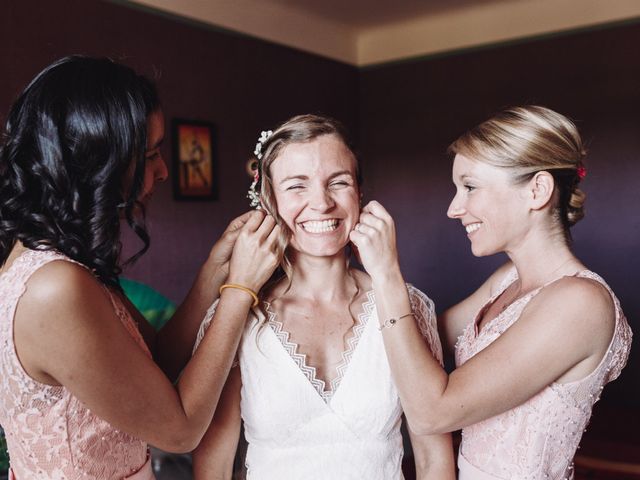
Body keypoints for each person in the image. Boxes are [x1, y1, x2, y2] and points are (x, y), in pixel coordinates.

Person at [0, 55, 281, 479]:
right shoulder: (53, 289)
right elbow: (180, 430)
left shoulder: (66, 264)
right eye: (150, 155)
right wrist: (240, 290)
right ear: (93, 165)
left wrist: (214, 272)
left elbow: (156, 363)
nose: (164, 170)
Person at [351, 105, 632, 479]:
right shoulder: (507, 279)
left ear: (537, 190)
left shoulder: (580, 303)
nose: (454, 208)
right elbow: (423, 339)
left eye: (469, 187)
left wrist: (386, 275)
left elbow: (433, 411)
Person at [191, 114, 455, 479]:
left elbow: (433, 460)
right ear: (269, 201)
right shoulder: (239, 315)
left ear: (359, 193)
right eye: (297, 186)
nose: (321, 202)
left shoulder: (405, 305)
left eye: (339, 182)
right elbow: (214, 467)